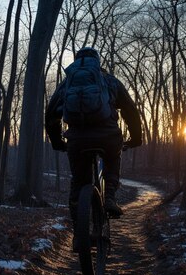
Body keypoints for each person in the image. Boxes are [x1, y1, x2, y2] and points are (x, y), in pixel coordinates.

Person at [45, 47, 142, 233]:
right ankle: (111, 198)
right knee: (113, 158)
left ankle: (77, 232)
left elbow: (51, 115)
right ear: (97, 62)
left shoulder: (68, 83)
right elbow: (130, 110)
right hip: (108, 137)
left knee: (79, 181)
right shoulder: (109, 81)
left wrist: (57, 142)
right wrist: (136, 138)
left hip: (77, 140)